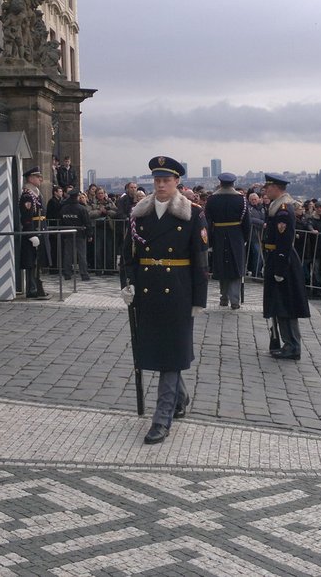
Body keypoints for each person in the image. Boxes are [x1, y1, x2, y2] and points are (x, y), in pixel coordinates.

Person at [120, 156, 206, 445]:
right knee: (160, 353)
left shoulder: (192, 214)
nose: (160, 184)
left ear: (177, 182)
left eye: (166, 180)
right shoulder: (139, 214)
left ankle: (161, 419)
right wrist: (128, 285)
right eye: (157, 180)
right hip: (147, 292)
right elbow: (128, 256)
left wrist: (199, 299)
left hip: (178, 293)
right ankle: (179, 398)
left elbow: (199, 260)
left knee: (170, 356)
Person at [260, 173, 310, 360]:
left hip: (283, 261)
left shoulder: (282, 209)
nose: (265, 190)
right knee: (280, 305)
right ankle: (288, 344)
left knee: (286, 306)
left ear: (276, 188)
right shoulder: (276, 207)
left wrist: (279, 268)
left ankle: (292, 346)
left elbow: (284, 241)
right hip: (276, 258)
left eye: (268, 187)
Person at [204, 172, 249, 309]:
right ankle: (235, 300)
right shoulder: (241, 200)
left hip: (218, 235)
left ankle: (223, 297)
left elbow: (207, 221)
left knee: (222, 267)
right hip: (236, 236)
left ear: (220, 183)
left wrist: (209, 241)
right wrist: (244, 238)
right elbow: (247, 223)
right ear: (233, 184)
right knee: (236, 268)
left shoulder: (212, 199)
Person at [18, 166, 49, 299]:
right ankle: (32, 288)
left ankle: (36, 287)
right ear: (30, 178)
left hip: (39, 229)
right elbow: (26, 217)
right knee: (31, 262)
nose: (40, 179)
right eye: (37, 177)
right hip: (32, 232)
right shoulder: (27, 195)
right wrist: (31, 235)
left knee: (37, 261)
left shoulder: (35, 193)